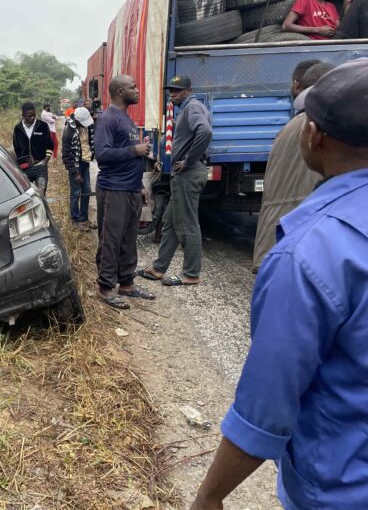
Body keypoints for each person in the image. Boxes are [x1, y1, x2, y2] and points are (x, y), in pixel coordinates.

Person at [190, 58, 368, 510]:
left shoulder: (309, 254)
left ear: (313, 135)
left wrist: (209, 498)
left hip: (339, 489)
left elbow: (265, 405)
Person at [251, 61, 334, 272]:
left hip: (275, 248)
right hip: (309, 253)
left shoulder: (287, 130)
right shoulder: (328, 126)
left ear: (297, 86)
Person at [139, 75, 212, 286]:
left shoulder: (192, 108)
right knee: (170, 221)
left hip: (189, 173)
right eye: (171, 90)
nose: (173, 94)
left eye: (178, 90)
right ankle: (158, 268)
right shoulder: (186, 108)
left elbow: (205, 131)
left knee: (187, 222)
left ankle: (191, 273)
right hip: (183, 174)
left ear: (189, 90)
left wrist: (188, 160)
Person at [94, 75, 155, 310]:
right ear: (120, 91)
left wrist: (139, 185)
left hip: (130, 189)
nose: (137, 90)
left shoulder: (126, 119)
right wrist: (134, 150)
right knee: (111, 239)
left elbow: (130, 154)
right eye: (133, 87)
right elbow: (103, 155)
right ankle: (106, 287)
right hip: (113, 189)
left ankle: (127, 284)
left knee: (129, 239)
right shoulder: (107, 118)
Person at [61, 106, 96, 231]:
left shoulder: (88, 126)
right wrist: (75, 172)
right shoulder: (68, 132)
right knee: (76, 193)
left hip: (85, 161)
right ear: (77, 120)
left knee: (87, 191)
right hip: (75, 165)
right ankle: (75, 220)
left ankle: (84, 219)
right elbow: (65, 156)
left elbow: (90, 142)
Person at [12, 101, 54, 196]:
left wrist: (45, 162)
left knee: (41, 196)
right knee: (28, 197)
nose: (32, 118)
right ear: (23, 115)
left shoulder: (42, 126)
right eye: (29, 116)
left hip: (40, 167)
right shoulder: (17, 129)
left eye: (34, 115)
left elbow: (50, 145)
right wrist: (21, 164)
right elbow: (17, 148)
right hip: (25, 169)